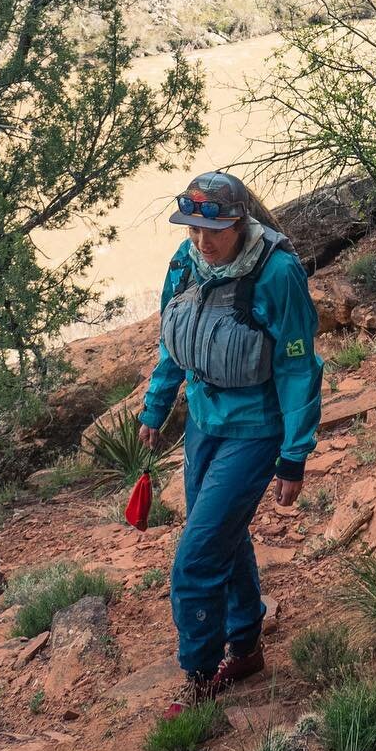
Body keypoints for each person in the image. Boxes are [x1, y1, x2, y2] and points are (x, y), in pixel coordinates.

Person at [137, 170, 322, 708]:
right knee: (224, 536)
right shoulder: (185, 262)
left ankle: (198, 675)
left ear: (240, 222)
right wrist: (157, 404)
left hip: (255, 432)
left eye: (212, 232)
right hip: (203, 423)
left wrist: (294, 455)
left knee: (195, 559)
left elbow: (298, 367)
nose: (202, 242)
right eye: (193, 230)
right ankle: (244, 645)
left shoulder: (277, 273)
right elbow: (174, 337)